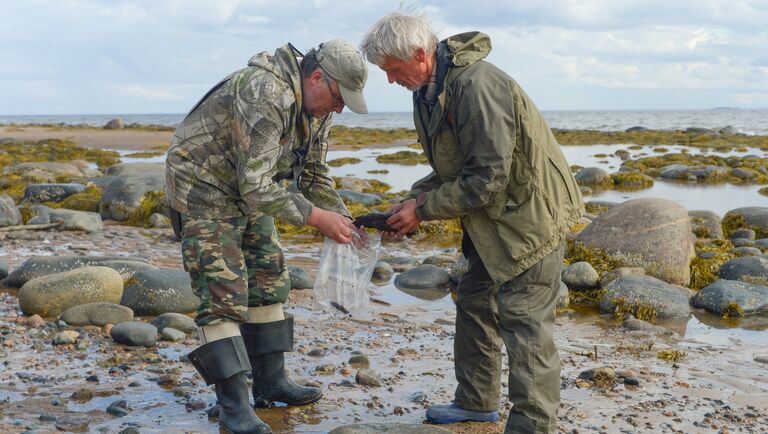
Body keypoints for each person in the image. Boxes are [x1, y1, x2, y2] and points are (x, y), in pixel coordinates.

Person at [361, 13, 583, 434]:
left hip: (528, 219)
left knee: (525, 322)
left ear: (420, 55)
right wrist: (412, 201)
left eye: (392, 69)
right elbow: (453, 167)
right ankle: (476, 402)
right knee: (475, 301)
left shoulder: (476, 85)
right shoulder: (430, 90)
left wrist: (423, 211)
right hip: (490, 221)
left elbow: (488, 178)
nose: (390, 80)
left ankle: (532, 427)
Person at [165, 39, 368, 434]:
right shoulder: (265, 91)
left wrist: (343, 217)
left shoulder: (318, 109)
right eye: (340, 98)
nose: (340, 108)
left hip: (252, 189)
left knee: (269, 278)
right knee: (222, 293)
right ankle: (234, 407)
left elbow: (311, 174)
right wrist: (315, 218)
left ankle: (271, 383)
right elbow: (256, 185)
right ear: (316, 78)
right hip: (203, 189)